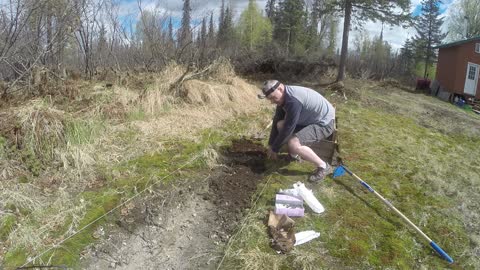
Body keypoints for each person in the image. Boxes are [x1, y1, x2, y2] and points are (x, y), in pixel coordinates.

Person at [258, 80, 335, 182]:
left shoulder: (293, 100)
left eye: (273, 98)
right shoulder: (284, 97)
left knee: (294, 142)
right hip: (310, 118)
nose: (272, 102)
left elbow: (289, 127)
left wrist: (275, 149)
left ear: (280, 89)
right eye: (270, 99)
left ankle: (324, 166)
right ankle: (294, 156)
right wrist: (271, 144)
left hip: (324, 123)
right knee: (280, 124)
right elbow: (278, 118)